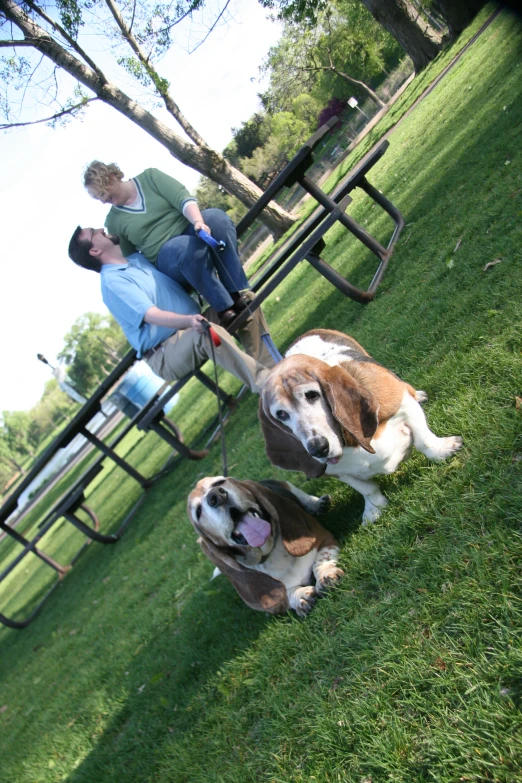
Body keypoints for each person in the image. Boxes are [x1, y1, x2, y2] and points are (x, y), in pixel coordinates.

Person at [67, 228, 276, 406]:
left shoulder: (137, 260)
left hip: (193, 325)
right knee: (207, 335)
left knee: (243, 301)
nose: (101, 229)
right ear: (94, 250)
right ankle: (268, 387)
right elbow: (152, 315)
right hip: (166, 353)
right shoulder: (113, 282)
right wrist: (188, 321)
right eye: (94, 233)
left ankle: (276, 369)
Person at [83, 162, 250, 329]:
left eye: (103, 193)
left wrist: (198, 222)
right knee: (183, 247)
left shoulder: (150, 178)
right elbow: (132, 258)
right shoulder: (113, 222)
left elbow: (182, 198)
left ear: (112, 177)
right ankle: (224, 307)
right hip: (167, 259)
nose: (103, 200)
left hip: (190, 229)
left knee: (216, 218)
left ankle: (236, 292)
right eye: (99, 198)